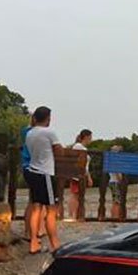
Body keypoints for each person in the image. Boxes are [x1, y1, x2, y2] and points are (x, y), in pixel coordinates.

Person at [25, 106, 62, 254]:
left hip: (32, 171)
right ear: (47, 118)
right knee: (51, 210)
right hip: (45, 172)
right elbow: (59, 150)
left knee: (36, 208)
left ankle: (34, 242)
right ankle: (55, 244)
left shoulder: (29, 133)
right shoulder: (49, 132)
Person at [66, 129, 93, 222]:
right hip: (77, 175)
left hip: (81, 174)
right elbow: (82, 164)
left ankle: (76, 214)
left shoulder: (80, 147)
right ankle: (72, 215)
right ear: (86, 137)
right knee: (75, 195)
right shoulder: (79, 147)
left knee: (78, 195)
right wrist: (88, 177)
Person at [108, 145, 127, 221]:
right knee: (117, 201)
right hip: (115, 181)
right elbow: (117, 173)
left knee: (115, 201)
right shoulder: (115, 161)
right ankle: (115, 217)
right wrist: (121, 181)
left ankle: (114, 216)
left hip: (112, 181)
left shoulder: (111, 160)